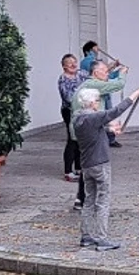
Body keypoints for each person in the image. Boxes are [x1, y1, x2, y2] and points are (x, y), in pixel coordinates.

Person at [73, 85, 139, 251]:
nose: (98, 103)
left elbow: (95, 130)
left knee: (89, 200)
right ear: (92, 102)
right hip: (100, 163)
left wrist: (110, 130)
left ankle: (86, 236)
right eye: (97, 100)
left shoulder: (78, 118)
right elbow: (116, 110)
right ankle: (101, 238)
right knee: (103, 201)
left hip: (86, 165)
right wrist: (135, 94)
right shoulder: (94, 117)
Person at [80, 41, 124, 147]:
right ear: (89, 50)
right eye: (95, 48)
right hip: (96, 93)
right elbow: (97, 72)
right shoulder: (87, 61)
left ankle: (110, 139)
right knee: (100, 116)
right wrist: (112, 66)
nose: (98, 50)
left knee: (108, 116)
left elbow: (107, 75)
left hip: (104, 92)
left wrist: (118, 70)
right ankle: (102, 139)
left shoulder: (96, 61)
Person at [57, 54, 87, 210]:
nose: (74, 65)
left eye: (75, 62)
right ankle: (68, 171)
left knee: (79, 140)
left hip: (81, 110)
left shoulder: (81, 74)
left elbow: (92, 77)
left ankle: (78, 168)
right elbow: (68, 98)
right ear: (64, 66)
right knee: (72, 140)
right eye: (70, 64)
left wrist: (112, 67)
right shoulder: (63, 80)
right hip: (70, 111)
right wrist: (83, 98)